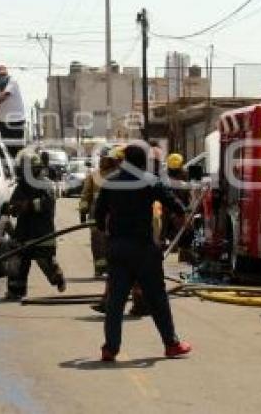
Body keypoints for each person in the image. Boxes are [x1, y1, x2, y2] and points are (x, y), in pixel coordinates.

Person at [95, 143, 192, 361]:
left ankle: (110, 348)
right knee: (157, 298)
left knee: (116, 301)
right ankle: (171, 344)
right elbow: (174, 202)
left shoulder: (110, 182)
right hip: (144, 250)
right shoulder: (149, 180)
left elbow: (99, 216)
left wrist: (109, 232)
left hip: (118, 249)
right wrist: (182, 215)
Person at [5, 153, 66, 300]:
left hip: (42, 231)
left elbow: (47, 203)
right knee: (17, 262)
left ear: (36, 169)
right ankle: (16, 291)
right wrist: (12, 209)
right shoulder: (21, 187)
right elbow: (13, 205)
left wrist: (28, 205)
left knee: (45, 261)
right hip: (23, 231)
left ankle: (58, 278)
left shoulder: (46, 184)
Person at [79, 148, 120, 277]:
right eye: (102, 158)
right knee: (97, 242)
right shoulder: (94, 175)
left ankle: (113, 268)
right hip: (95, 215)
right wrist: (83, 211)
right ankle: (100, 268)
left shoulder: (118, 174)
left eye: (106, 158)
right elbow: (86, 195)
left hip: (114, 214)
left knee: (113, 242)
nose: (103, 160)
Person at [0, 65, 26, 157]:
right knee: (6, 147)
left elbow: (5, 95)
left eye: (3, 75)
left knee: (17, 147)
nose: (1, 77)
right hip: (2, 122)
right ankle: (8, 167)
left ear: (7, 75)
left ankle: (18, 167)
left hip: (16, 121)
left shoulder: (13, 83)